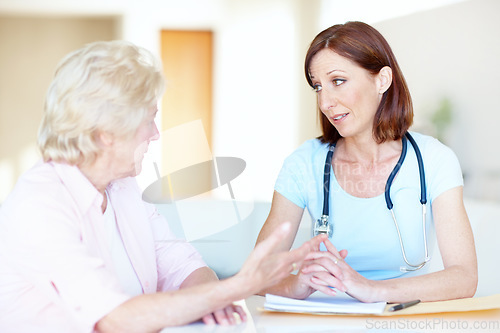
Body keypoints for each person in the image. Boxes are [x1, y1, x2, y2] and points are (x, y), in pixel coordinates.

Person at [0, 40, 328, 333]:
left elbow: (183, 265)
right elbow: (114, 320)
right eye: (148, 119)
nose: (155, 133)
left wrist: (208, 300)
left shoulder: (121, 187)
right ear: (106, 133)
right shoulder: (40, 206)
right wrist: (237, 287)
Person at [255, 21, 477, 303]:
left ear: (382, 80)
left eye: (338, 81)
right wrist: (295, 286)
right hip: (322, 322)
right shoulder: (303, 164)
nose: (325, 102)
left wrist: (371, 291)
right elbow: (256, 275)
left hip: (400, 319)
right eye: (318, 87)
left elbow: (464, 277)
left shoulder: (435, 160)